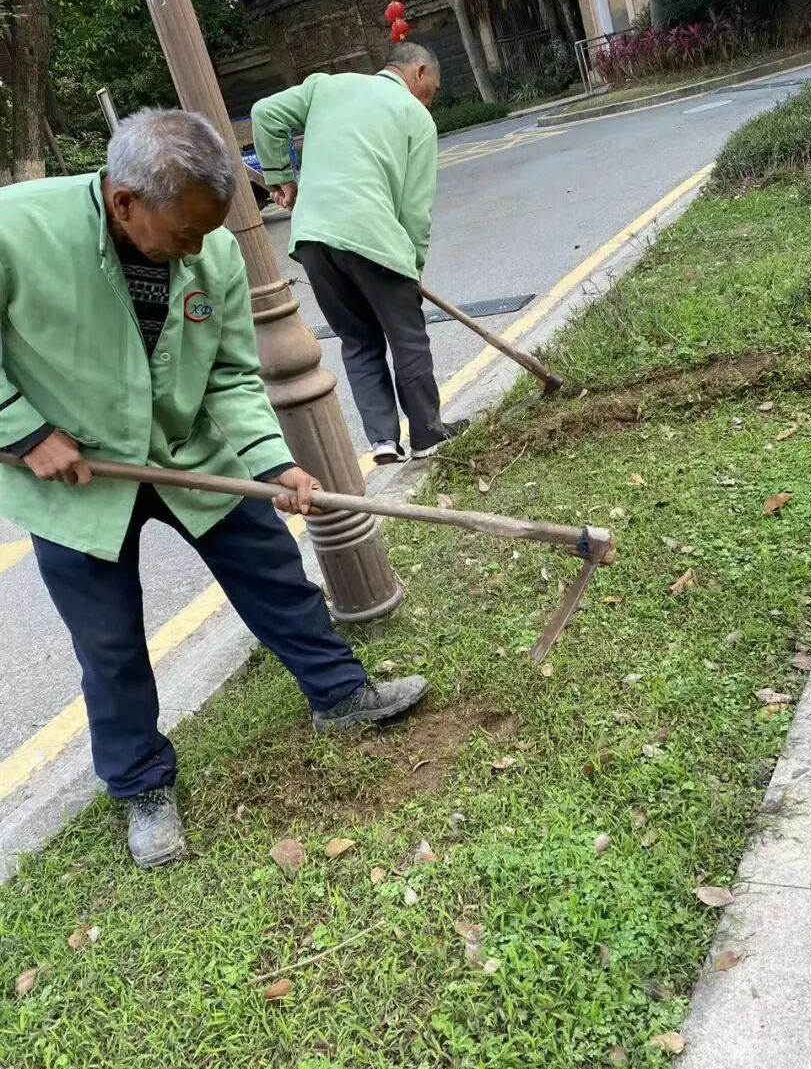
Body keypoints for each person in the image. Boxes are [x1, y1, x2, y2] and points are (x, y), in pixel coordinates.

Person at [0, 110, 429, 870]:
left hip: (187, 451)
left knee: (273, 572)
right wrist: (26, 433)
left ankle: (340, 694)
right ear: (125, 201)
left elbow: (230, 373)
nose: (198, 250)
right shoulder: (17, 229)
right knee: (108, 641)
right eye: (184, 234)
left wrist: (271, 464)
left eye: (208, 232)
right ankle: (142, 785)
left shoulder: (215, 250)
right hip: (76, 475)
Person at [252, 43, 467, 466]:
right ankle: (427, 434)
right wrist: (412, 266)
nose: (431, 100)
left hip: (313, 239)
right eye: (434, 90)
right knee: (407, 339)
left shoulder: (326, 87)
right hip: (374, 236)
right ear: (419, 72)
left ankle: (383, 440)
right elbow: (414, 209)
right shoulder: (415, 116)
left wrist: (281, 177)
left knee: (358, 340)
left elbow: (264, 113)